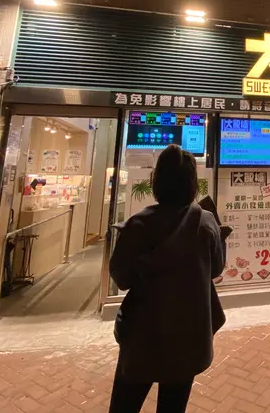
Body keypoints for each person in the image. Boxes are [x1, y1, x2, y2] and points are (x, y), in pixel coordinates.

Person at [108, 145, 226, 413]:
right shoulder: (206, 222)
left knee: (124, 405)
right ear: (192, 183)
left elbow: (121, 278)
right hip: (188, 335)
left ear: (157, 181)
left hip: (141, 335)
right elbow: (216, 268)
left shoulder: (137, 225)